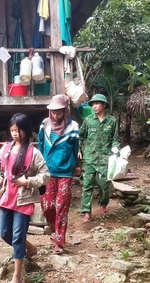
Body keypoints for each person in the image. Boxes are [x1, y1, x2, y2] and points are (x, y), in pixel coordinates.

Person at [0, 113, 50, 283]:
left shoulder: (34, 153)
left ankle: (17, 277)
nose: (15, 134)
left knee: (17, 236)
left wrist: (28, 182)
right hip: (6, 197)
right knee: (4, 233)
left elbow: (45, 175)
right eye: (13, 130)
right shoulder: (6, 148)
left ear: (26, 131)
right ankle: (29, 247)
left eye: (18, 130)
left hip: (24, 200)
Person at [37, 94, 79, 255]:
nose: (56, 115)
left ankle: (59, 242)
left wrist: (75, 165)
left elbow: (75, 148)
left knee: (61, 205)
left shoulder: (73, 127)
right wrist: (38, 165)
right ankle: (54, 231)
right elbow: (40, 145)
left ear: (65, 111)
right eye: (53, 112)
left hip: (65, 172)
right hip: (47, 171)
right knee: (47, 206)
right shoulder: (44, 125)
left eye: (59, 112)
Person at [78, 93, 120, 222]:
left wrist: (116, 149)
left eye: (97, 104)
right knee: (87, 185)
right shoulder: (88, 120)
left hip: (104, 159)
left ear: (104, 105)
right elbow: (80, 136)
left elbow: (115, 139)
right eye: (93, 104)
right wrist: (79, 149)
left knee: (103, 185)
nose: (94, 106)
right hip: (89, 158)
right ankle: (86, 211)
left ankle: (103, 204)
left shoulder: (112, 121)